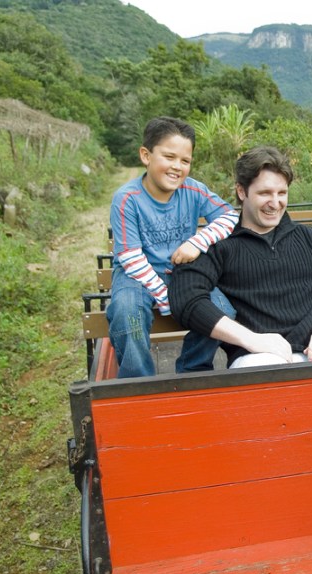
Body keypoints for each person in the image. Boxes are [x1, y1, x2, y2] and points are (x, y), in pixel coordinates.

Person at [169, 146, 312, 368]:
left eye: (282, 193)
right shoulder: (221, 245)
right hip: (259, 355)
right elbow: (186, 297)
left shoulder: (308, 237)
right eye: (265, 193)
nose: (275, 203)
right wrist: (250, 339)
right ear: (241, 191)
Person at [107, 116, 239, 378]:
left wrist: (197, 242)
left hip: (181, 273)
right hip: (137, 277)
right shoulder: (127, 199)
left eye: (185, 161)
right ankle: (139, 382)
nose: (177, 167)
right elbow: (130, 258)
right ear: (146, 155)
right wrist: (165, 297)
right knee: (127, 313)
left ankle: (191, 370)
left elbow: (230, 217)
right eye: (169, 157)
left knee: (223, 310)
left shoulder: (193, 190)